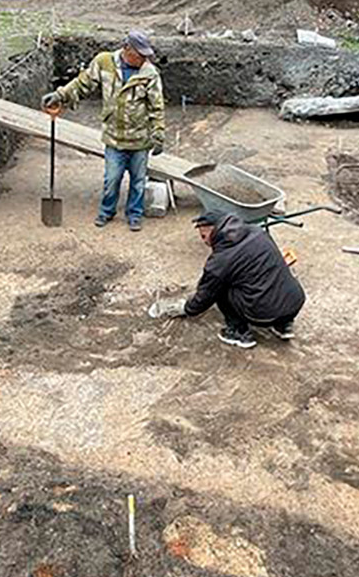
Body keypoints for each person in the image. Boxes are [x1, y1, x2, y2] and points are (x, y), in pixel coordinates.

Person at [41, 30, 166, 231]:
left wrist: (158, 134)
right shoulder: (104, 63)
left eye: (146, 55)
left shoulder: (149, 73)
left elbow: (156, 106)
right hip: (114, 138)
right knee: (112, 179)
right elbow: (82, 84)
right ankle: (107, 211)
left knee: (138, 182)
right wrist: (59, 95)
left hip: (140, 139)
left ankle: (135, 215)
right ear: (127, 49)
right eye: (140, 55)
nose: (144, 59)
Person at [160, 212, 306, 349]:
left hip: (262, 314)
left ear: (215, 231)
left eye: (204, 236)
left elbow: (206, 295)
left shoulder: (220, 261)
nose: (204, 242)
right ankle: (284, 325)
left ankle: (239, 333)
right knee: (273, 272)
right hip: (295, 303)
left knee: (220, 290)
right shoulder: (258, 232)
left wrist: (187, 308)